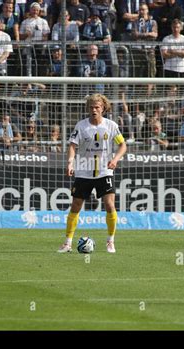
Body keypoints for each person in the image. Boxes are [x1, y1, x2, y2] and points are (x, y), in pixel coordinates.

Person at [58, 94, 127, 254]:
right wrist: (70, 162)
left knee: (109, 205)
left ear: (103, 108)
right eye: (91, 107)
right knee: (76, 205)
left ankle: (110, 241)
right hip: (83, 171)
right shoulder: (81, 126)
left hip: (104, 171)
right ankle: (67, 243)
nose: (94, 110)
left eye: (97, 107)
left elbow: (122, 146)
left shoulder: (111, 126)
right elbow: (73, 145)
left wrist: (115, 159)